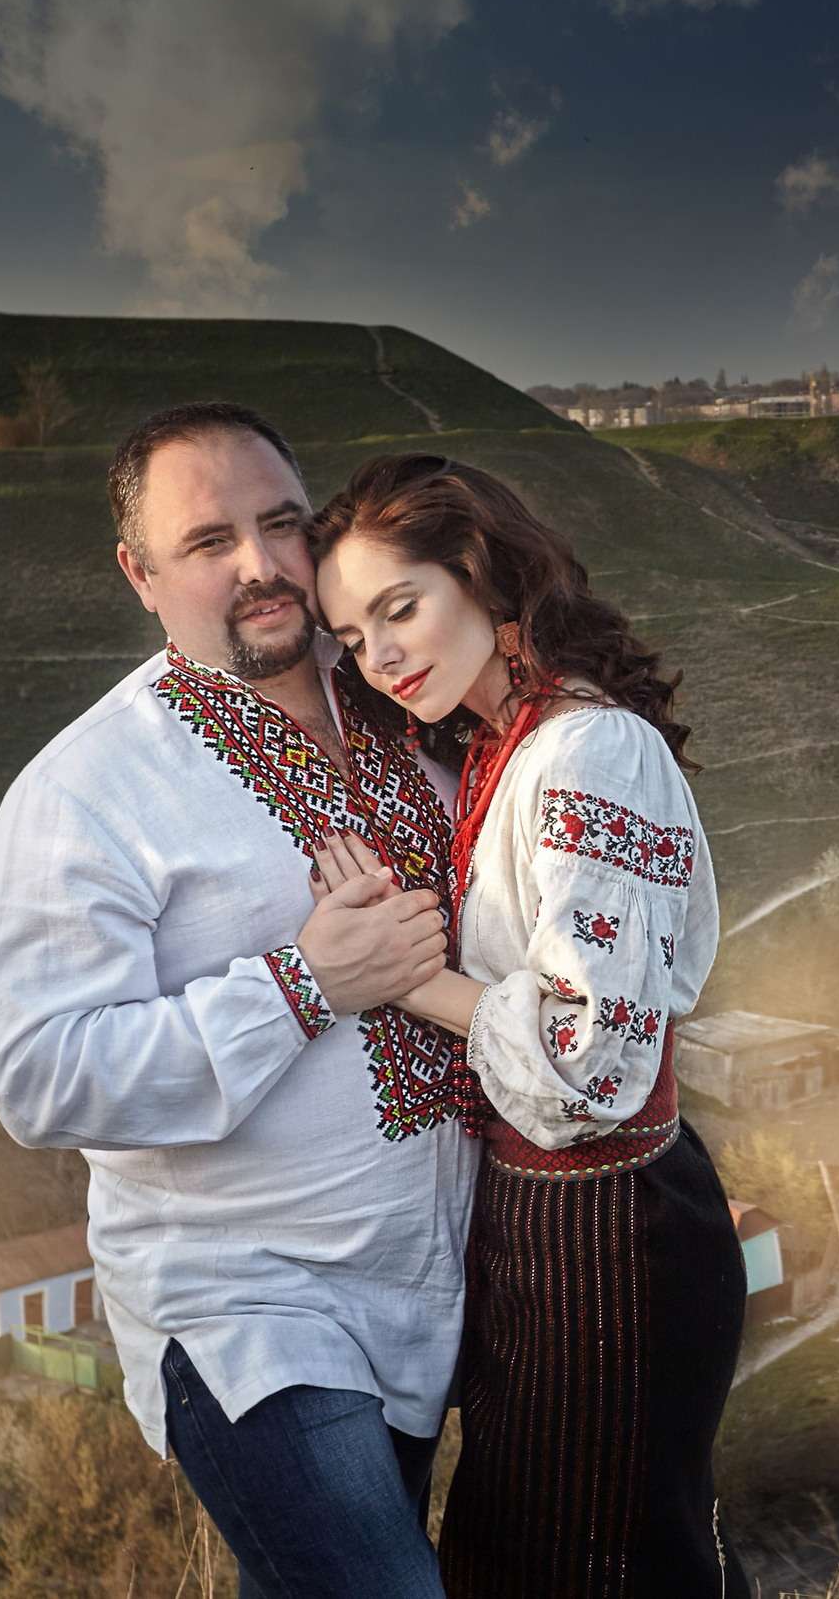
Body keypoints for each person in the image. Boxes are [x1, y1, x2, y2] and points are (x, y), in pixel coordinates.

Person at [0, 405, 475, 1599]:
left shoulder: (417, 706)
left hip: (444, 1279)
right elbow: (40, 1077)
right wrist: (303, 986)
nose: (258, 567)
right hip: (249, 1309)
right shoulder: (81, 795)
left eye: (280, 525)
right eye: (208, 542)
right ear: (140, 576)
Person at [308, 451, 748, 1599]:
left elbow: (584, 1061)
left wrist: (405, 975)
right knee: (534, 1557)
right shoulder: (500, 745)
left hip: (615, 1231)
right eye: (352, 638)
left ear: (484, 576)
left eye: (401, 607)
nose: (382, 653)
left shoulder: (590, 750)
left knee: (587, 1570)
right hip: (548, 1227)